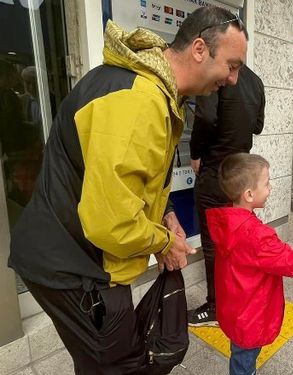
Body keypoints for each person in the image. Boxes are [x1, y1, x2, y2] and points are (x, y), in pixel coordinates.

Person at [8, 6, 247, 373]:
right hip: (75, 264)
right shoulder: (138, 100)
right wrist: (165, 243)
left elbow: (135, 180)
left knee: (105, 361)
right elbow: (112, 223)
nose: (233, 79)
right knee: (120, 365)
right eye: (231, 65)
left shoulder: (150, 88)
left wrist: (165, 216)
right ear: (200, 49)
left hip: (77, 255)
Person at [207, 153, 293, 375]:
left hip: (235, 310)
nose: (270, 188)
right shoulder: (256, 236)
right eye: (267, 183)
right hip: (250, 316)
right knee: (244, 364)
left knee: (240, 354)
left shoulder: (226, 222)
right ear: (249, 194)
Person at [187, 64, 265, 327]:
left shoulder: (215, 77)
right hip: (241, 177)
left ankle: (215, 307)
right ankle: (237, 299)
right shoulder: (256, 82)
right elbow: (258, 125)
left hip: (214, 173)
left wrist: (195, 152)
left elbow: (207, 117)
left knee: (213, 246)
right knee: (236, 243)